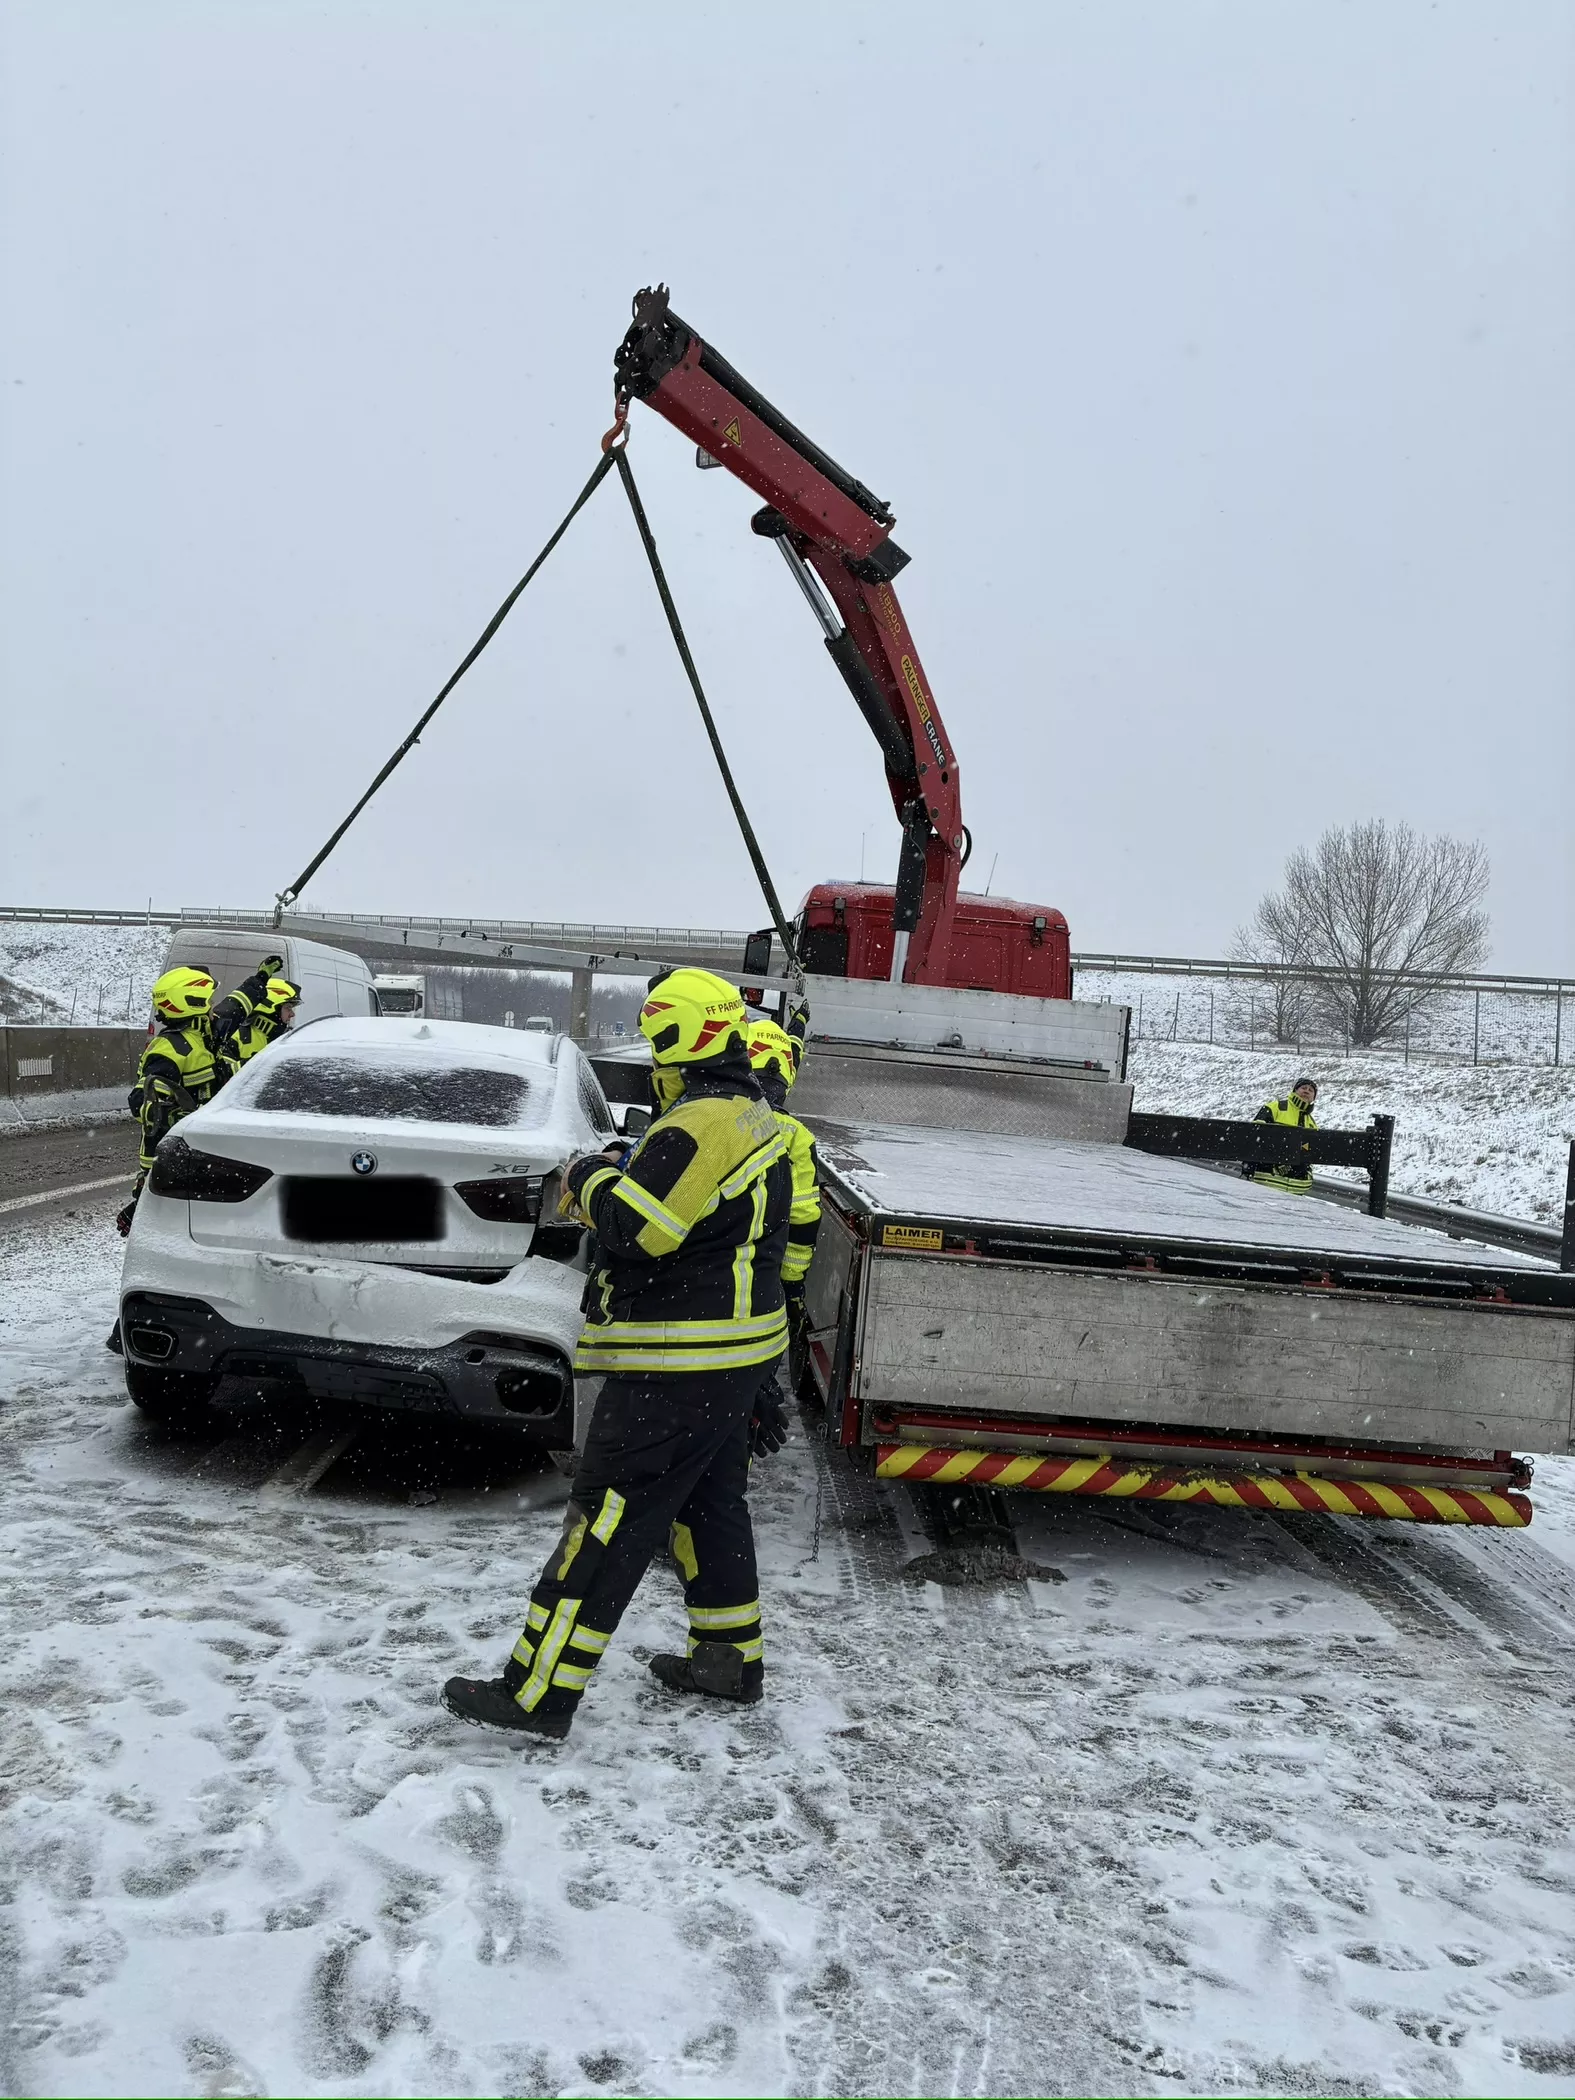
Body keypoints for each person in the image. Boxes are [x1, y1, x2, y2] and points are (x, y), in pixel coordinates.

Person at [441, 966, 792, 1743]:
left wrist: (587, 1174)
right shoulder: (753, 1114)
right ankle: (727, 1660)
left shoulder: (695, 1125)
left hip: (675, 1366)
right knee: (708, 1509)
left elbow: (640, 1229)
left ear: (672, 1038)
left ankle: (537, 1693)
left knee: (606, 1520)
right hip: (731, 1361)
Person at [746, 1013, 821, 1433]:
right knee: (756, 1366)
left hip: (709, 1269)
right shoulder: (796, 1136)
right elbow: (805, 1215)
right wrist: (792, 1284)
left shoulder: (716, 1117)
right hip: (764, 1273)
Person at [116, 966, 220, 1236]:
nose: (213, 1007)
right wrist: (177, 1116)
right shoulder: (171, 1048)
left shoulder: (199, 1040)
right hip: (171, 1163)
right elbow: (140, 1101)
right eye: (208, 1001)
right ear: (194, 1004)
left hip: (193, 1158)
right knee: (174, 1236)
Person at [214, 974, 301, 1083]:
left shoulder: (290, 1039)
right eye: (288, 1008)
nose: (292, 1014)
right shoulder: (237, 1038)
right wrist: (254, 1064)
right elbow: (222, 1078)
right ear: (270, 1007)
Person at [208, 953, 287, 1064]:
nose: (212, 1003)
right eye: (207, 1000)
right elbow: (223, 1074)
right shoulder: (201, 1038)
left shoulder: (207, 1031)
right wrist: (254, 1065)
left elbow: (234, 1007)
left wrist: (261, 977)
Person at [1247, 1075, 1319, 1194]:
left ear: (1313, 1098)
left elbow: (1311, 1154)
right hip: (1267, 1181)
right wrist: (1277, 1161)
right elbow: (1255, 1137)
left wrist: (1305, 1171)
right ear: (1295, 1091)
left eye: (1311, 1090)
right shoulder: (1275, 1108)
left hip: (1296, 1189)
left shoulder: (1312, 1123)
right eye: (1303, 1088)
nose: (1307, 1091)